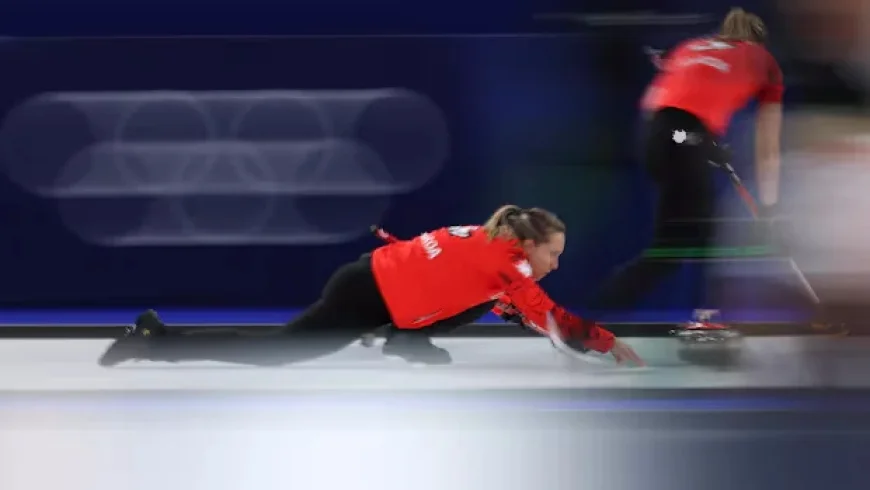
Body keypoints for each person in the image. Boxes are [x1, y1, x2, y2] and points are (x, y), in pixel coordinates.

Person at [98, 205, 644, 367]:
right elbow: (553, 318)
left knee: (491, 302)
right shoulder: (511, 267)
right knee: (277, 353)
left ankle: (407, 339)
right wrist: (604, 341)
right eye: (554, 253)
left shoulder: (486, 237)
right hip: (367, 297)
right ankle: (154, 340)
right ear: (529, 247)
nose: (556, 262)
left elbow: (513, 305)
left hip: (370, 278)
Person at [592, 8, 784, 317]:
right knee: (695, 238)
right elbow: (768, 148)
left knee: (679, 243)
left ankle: (701, 313)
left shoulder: (691, 46)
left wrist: (703, 145)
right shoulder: (765, 62)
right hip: (684, 137)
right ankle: (704, 316)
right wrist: (769, 206)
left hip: (652, 135)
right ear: (759, 40)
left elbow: (668, 104)